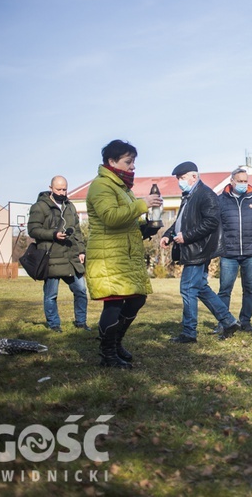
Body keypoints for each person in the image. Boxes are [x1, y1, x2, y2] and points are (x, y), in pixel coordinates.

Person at [85, 140, 163, 368]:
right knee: (114, 304)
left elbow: (125, 221)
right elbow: (110, 217)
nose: (132, 167)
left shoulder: (121, 187)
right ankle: (107, 354)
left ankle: (116, 343)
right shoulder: (101, 186)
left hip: (123, 256)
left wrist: (145, 228)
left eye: (133, 162)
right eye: (128, 162)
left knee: (137, 298)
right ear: (112, 161)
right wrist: (142, 205)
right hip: (107, 256)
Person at [161, 161, 239, 343]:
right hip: (193, 248)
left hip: (198, 250)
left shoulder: (205, 195)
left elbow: (211, 222)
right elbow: (181, 221)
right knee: (200, 288)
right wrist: (168, 234)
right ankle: (229, 322)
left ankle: (189, 333)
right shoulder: (189, 195)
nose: (179, 182)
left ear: (194, 176)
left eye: (182, 178)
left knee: (187, 289)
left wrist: (186, 237)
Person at [27, 176, 88, 333]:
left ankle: (81, 322)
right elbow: (33, 230)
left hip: (71, 257)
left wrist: (81, 250)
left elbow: (78, 231)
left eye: (64, 189)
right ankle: (54, 325)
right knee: (51, 295)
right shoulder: (40, 207)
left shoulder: (70, 206)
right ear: (51, 188)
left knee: (81, 291)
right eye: (58, 189)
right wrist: (53, 234)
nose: (62, 192)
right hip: (51, 258)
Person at [217, 167, 252, 333]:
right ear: (232, 181)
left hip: (251, 252)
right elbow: (217, 224)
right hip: (228, 253)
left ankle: (245, 321)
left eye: (246, 181)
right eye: (240, 181)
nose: (243, 184)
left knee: (250, 289)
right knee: (225, 289)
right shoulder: (220, 200)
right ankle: (224, 322)